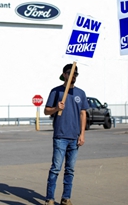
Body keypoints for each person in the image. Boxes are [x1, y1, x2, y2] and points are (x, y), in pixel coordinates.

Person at [43, 63, 89, 205]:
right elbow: (46, 111)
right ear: (64, 74)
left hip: (74, 137)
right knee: (56, 169)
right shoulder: (56, 92)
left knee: (70, 170)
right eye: (70, 73)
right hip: (60, 137)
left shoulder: (80, 93)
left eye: (76, 73)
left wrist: (82, 134)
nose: (73, 76)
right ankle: (50, 198)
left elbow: (83, 114)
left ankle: (66, 198)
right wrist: (57, 108)